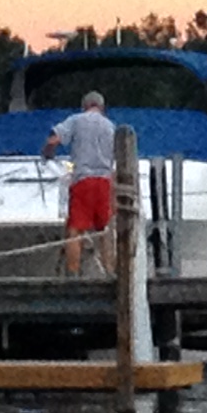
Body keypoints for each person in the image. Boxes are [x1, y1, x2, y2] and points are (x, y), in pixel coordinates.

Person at [48, 90, 119, 275]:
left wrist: (47, 152)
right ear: (102, 108)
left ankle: (73, 273)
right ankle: (109, 271)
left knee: (75, 230)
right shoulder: (110, 126)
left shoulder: (76, 120)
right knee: (105, 230)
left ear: (84, 106)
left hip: (83, 181)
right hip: (104, 182)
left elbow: (55, 139)